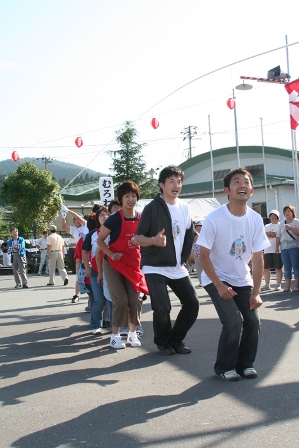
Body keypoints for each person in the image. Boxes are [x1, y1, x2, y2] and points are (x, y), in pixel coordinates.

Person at [198, 167, 270, 381]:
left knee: (253, 320)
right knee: (233, 322)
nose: (242, 185)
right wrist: (219, 285)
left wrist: (256, 291)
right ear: (226, 190)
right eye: (236, 182)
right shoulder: (214, 218)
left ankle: (245, 364)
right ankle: (224, 367)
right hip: (216, 277)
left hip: (242, 278)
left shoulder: (256, 219)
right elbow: (203, 256)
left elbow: (258, 258)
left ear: (252, 190)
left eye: (246, 182)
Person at [134, 165, 199, 355]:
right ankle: (162, 342)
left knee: (192, 303)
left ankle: (176, 339)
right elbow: (137, 238)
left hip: (176, 266)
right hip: (154, 266)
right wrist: (153, 240)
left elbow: (191, 233)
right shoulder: (152, 208)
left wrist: (192, 254)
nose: (176, 185)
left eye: (179, 181)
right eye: (171, 181)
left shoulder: (185, 208)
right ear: (161, 185)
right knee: (162, 306)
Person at [97, 181, 148, 349]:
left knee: (135, 300)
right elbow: (100, 240)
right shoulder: (113, 219)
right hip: (113, 264)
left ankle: (133, 334)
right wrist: (111, 254)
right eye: (126, 196)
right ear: (120, 199)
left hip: (132, 264)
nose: (130, 199)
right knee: (120, 300)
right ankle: (115, 336)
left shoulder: (141, 218)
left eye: (133, 196)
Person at [82, 206, 112, 335]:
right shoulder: (91, 234)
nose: (105, 217)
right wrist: (87, 267)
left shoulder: (114, 232)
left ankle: (116, 327)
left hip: (111, 271)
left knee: (112, 300)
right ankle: (95, 325)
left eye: (107, 215)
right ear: (97, 219)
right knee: (99, 300)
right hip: (95, 271)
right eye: (102, 215)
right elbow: (84, 251)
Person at [61, 206, 89, 303]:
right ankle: (76, 294)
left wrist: (68, 210)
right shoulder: (74, 229)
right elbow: (64, 227)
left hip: (88, 251)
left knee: (89, 273)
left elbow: (78, 217)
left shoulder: (85, 225)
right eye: (74, 220)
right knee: (79, 274)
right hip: (79, 252)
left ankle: (91, 296)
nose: (76, 220)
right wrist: (63, 216)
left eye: (77, 219)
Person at [276, 204, 299, 292]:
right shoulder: (282, 224)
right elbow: (278, 236)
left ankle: (297, 286)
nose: (287, 213)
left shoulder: (296, 222)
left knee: (296, 267)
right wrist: (276, 247)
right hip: (284, 248)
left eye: (289, 211)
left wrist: (291, 228)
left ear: (293, 212)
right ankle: (287, 287)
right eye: (285, 211)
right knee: (286, 267)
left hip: (294, 247)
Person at [261, 210, 283, 291]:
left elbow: (279, 235)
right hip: (267, 249)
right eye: (271, 216)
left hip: (278, 249)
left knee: (278, 267)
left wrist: (272, 234)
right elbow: (263, 235)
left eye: (274, 215)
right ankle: (267, 284)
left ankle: (278, 284)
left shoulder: (281, 225)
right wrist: (271, 234)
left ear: (277, 217)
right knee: (266, 268)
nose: (272, 217)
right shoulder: (266, 226)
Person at [193, 221, 203, 289]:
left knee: (204, 269)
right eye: (197, 226)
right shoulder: (194, 235)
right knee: (199, 269)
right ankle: (201, 282)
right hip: (196, 254)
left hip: (203, 255)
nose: (199, 227)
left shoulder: (204, 234)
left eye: (200, 226)